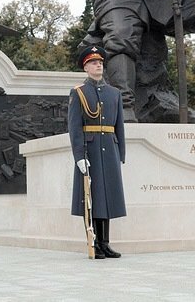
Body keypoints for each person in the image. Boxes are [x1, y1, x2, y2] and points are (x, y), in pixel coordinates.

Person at [69, 45, 126, 259]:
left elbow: (119, 125)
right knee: (91, 198)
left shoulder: (114, 93)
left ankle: (105, 242)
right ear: (86, 67)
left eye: (100, 62)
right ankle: (93, 242)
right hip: (90, 150)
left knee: (107, 197)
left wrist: (120, 152)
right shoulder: (79, 93)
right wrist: (79, 156)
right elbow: (74, 127)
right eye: (93, 62)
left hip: (109, 149)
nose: (98, 65)